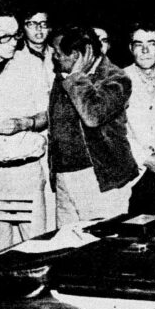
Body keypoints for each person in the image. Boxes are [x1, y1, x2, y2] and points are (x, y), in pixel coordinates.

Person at [0, 1, 49, 258]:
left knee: (37, 252)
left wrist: (24, 124)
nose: (13, 43)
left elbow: (47, 115)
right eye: (4, 37)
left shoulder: (31, 65)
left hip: (26, 172)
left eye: (16, 35)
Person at [48, 26, 139, 227]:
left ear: (76, 55)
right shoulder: (63, 75)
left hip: (99, 179)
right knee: (67, 241)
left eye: (58, 53)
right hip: (65, 176)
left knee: (100, 240)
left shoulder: (115, 78)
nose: (54, 57)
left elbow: (93, 116)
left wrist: (76, 76)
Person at [124, 21, 155, 217]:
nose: (145, 50)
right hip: (136, 173)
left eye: (151, 44)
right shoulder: (118, 79)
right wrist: (144, 157)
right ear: (131, 48)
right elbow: (113, 130)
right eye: (139, 44)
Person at [18, 5, 55, 82]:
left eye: (43, 24)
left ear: (50, 28)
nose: (39, 28)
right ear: (22, 28)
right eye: (31, 24)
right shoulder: (16, 58)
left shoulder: (56, 54)